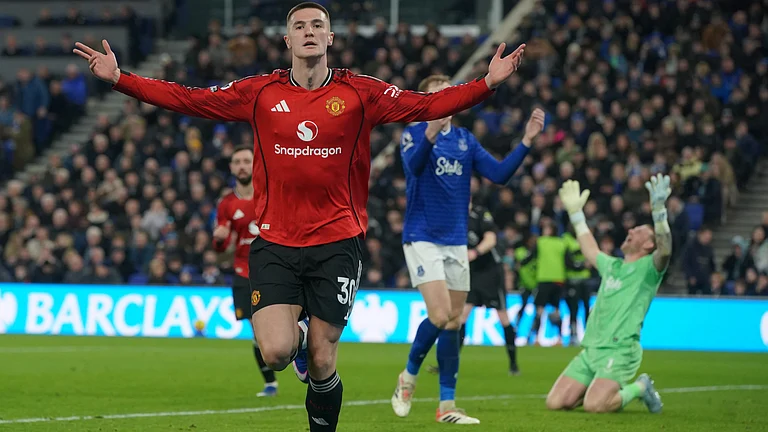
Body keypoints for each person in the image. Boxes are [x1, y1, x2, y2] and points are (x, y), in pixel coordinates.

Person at [74, 3, 527, 430]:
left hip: (336, 243)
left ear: (330, 37)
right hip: (275, 242)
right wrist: (121, 80)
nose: (308, 32)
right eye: (299, 27)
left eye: (316, 26)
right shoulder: (260, 93)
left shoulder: (360, 93)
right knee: (275, 351)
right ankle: (301, 333)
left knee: (324, 360)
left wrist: (486, 84)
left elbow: (426, 106)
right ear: (287, 39)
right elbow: (190, 99)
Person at [390, 71, 544, 424]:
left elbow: (500, 174)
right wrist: (430, 130)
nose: (445, 102)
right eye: (436, 97)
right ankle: (408, 377)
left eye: (449, 96)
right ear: (426, 101)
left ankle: (446, 406)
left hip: (457, 240)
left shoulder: (464, 140)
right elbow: (413, 169)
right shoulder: (412, 134)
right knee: (441, 314)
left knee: (454, 323)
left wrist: (527, 141)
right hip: (422, 236)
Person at [545, 174, 671, 414]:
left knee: (595, 406)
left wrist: (659, 213)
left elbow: (665, 250)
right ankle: (596, 387)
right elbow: (589, 247)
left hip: (620, 350)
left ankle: (639, 387)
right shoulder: (612, 266)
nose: (631, 230)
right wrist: (576, 214)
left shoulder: (649, 270)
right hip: (592, 349)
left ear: (648, 245)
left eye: (639, 231)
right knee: (555, 403)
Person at [211, 145, 277, 398]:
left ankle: (293, 357)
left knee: (279, 327)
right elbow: (221, 250)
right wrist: (219, 239)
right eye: (237, 161)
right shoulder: (226, 204)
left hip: (273, 270)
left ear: (255, 165)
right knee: (257, 330)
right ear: (231, 167)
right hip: (242, 273)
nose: (241, 166)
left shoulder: (269, 196)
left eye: (246, 161)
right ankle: (270, 382)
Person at [426, 203, 520, 376]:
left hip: (491, 273)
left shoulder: (480, 213)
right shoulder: (453, 216)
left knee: (503, 317)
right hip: (473, 273)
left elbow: (491, 239)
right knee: (460, 317)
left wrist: (475, 252)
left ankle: (513, 364)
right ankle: (448, 364)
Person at [528, 220, 568, 346]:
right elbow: (569, 262)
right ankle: (560, 339)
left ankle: (536, 339)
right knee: (556, 310)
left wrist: (521, 262)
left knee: (540, 310)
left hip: (544, 279)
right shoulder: (562, 243)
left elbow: (530, 257)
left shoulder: (541, 242)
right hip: (558, 280)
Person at [563, 227, 592, 346]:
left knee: (586, 308)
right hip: (572, 280)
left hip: (585, 280)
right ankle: (573, 335)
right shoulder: (566, 240)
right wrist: (581, 266)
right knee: (573, 309)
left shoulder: (586, 238)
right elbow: (566, 261)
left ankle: (589, 335)